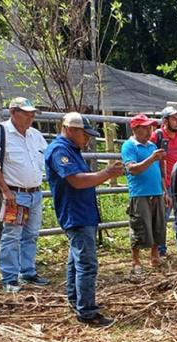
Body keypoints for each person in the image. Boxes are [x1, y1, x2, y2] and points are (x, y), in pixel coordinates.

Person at [45, 113, 123, 327]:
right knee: (86, 264)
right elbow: (77, 181)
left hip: (81, 213)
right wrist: (106, 173)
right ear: (70, 129)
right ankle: (87, 312)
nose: (87, 139)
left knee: (76, 262)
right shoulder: (60, 150)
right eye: (84, 134)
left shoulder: (71, 149)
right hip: (76, 214)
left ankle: (76, 301)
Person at [0, 97, 49, 292]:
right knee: (12, 235)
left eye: (32, 114)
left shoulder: (34, 134)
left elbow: (46, 156)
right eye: (26, 113)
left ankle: (28, 271)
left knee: (31, 234)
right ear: (12, 112)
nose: (30, 117)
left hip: (35, 192)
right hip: (15, 194)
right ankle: (9, 278)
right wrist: (5, 190)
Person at [121, 114, 168, 275]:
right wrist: (152, 158)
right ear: (135, 129)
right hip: (140, 193)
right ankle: (136, 260)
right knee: (139, 226)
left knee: (158, 226)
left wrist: (164, 191)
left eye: (151, 127)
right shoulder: (129, 146)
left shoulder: (152, 146)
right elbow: (132, 169)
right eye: (145, 127)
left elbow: (160, 170)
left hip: (156, 191)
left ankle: (155, 256)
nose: (149, 131)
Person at [152, 106, 177, 255]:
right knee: (162, 217)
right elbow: (152, 159)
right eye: (174, 119)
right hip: (164, 183)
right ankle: (160, 250)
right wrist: (161, 186)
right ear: (165, 121)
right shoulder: (157, 136)